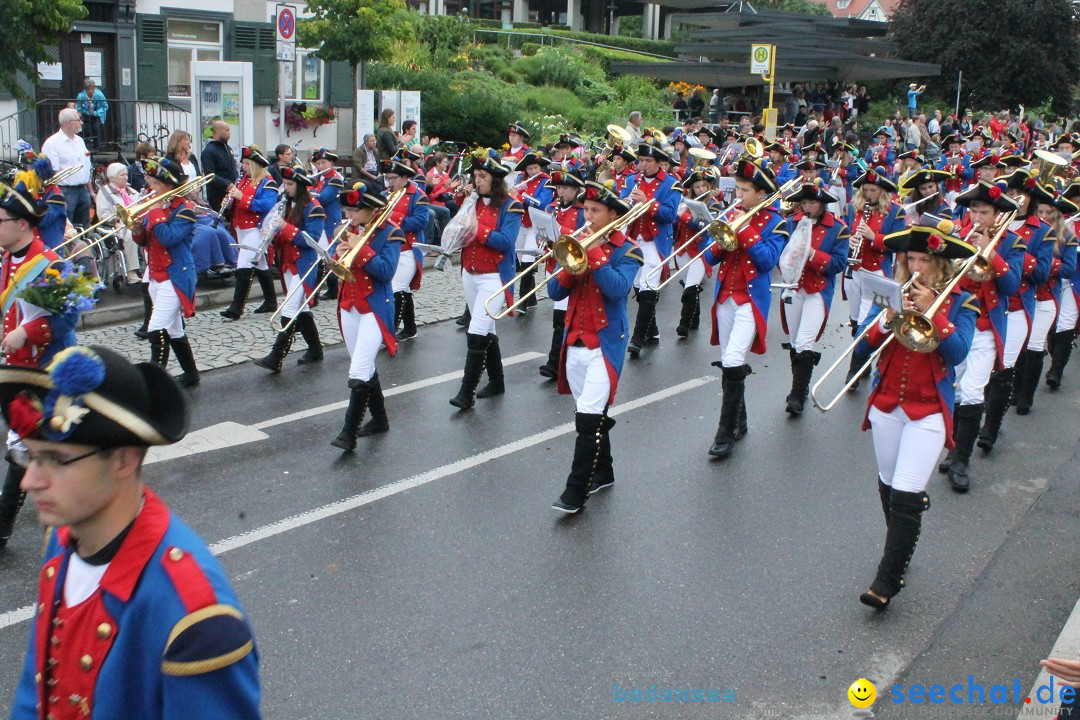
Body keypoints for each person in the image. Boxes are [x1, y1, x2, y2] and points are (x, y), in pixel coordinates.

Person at [0, 344, 261, 718]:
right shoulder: (62, 541)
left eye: (56, 460)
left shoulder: (197, 616)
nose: (29, 481)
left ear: (125, 459)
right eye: (29, 456)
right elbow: (36, 693)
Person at [856, 223, 978, 610]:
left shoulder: (963, 300)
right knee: (889, 484)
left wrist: (934, 313)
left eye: (926, 260)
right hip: (887, 402)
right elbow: (862, 346)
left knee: (907, 492)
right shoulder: (895, 293)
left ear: (941, 263)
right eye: (912, 259)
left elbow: (958, 353)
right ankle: (901, 549)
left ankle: (886, 580)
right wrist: (887, 317)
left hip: (928, 409)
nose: (918, 267)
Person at [548, 181, 644, 514]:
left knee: (588, 417)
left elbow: (617, 290)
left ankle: (576, 492)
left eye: (595, 211)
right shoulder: (577, 243)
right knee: (589, 413)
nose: (586, 217)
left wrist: (593, 254)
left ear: (613, 215)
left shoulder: (629, 250)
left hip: (606, 342)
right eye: (585, 209)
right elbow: (553, 294)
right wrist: (568, 265)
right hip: (574, 338)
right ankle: (603, 470)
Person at [0, 181, 81, 550]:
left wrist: (27, 332)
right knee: (24, 450)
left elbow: (65, 322)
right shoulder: (5, 262)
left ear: (21, 224)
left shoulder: (49, 264)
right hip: (14, 372)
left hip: (45, 373)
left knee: (37, 450)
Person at [701, 157, 787, 459]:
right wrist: (723, 237)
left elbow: (766, 262)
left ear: (761, 194)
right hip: (725, 295)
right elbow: (709, 259)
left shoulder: (778, 223)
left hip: (751, 300)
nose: (738, 196)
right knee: (728, 360)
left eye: (745, 190)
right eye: (736, 188)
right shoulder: (731, 214)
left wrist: (747, 230)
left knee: (735, 358)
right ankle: (740, 420)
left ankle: (724, 433)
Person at [939, 181, 1023, 492]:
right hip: (958, 323)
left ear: (997, 215)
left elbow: (1011, 286)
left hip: (986, 327)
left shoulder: (1011, 243)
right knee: (957, 390)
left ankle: (962, 459)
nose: (976, 217)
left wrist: (989, 251)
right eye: (973, 210)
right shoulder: (955, 235)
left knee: (973, 390)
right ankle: (954, 448)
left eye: (984, 212)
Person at [979, 168, 1055, 451]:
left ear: (1030, 198)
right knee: (980, 371)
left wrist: (1015, 257)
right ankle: (978, 417)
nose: (1014, 199)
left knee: (1003, 367)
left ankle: (991, 429)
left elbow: (1042, 274)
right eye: (1009, 194)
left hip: (1016, 306)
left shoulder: (1043, 231)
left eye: (1018, 195)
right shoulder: (987, 225)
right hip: (986, 304)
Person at [448, 150, 523, 410]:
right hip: (470, 272)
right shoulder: (473, 202)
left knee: (477, 331)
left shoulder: (511, 206)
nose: (477, 181)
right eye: (475, 176)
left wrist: (477, 230)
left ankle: (466, 393)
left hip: (494, 277)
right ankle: (497, 381)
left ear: (495, 180)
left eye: (482, 176)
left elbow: (506, 242)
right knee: (487, 329)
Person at [331, 187, 403, 450]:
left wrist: (358, 250)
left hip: (374, 307)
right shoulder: (352, 231)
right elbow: (344, 269)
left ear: (372, 209)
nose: (348, 216)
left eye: (353, 211)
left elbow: (385, 272)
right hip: (349, 304)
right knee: (364, 365)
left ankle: (347, 434)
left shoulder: (391, 233)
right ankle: (380, 419)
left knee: (359, 370)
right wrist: (340, 253)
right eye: (346, 211)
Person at [779, 180, 849, 416]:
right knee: (794, 340)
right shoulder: (791, 222)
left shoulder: (838, 228)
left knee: (805, 342)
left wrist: (811, 254)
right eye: (805, 202)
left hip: (817, 289)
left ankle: (797, 395)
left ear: (822, 204)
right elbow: (780, 255)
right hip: (793, 286)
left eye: (813, 202)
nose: (807, 207)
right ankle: (799, 385)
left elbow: (838, 264)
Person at [129, 156, 200, 388]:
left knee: (156, 328)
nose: (151, 188)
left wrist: (155, 212)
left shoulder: (185, 210)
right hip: (156, 275)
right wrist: (138, 229)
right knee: (174, 329)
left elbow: (168, 238)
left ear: (169, 185)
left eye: (156, 184)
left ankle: (154, 384)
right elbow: (146, 241)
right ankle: (191, 373)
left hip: (176, 275)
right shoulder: (157, 208)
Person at [253, 165, 325, 372]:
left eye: (290, 184)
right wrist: (271, 232)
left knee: (290, 308)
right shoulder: (285, 204)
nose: (286, 188)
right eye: (285, 183)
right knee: (302, 307)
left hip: (304, 263)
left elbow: (310, 240)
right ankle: (315, 349)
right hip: (286, 261)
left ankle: (276, 357)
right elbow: (278, 233)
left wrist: (286, 228)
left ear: (301, 186)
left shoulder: (314, 208)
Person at [1017, 185, 1078, 413]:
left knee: (1034, 344)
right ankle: (1016, 389)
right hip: (1024, 296)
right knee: (1021, 345)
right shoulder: (1028, 234)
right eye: (1039, 212)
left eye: (1048, 213)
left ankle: (1027, 397)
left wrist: (1041, 262)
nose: (1043, 217)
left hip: (1047, 296)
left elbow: (1069, 269)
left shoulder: (1067, 238)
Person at [844, 167, 907, 387]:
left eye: (873, 190)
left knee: (865, 319)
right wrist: (850, 241)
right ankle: (863, 362)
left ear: (882, 192)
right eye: (866, 190)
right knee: (855, 319)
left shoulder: (895, 212)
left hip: (877, 270)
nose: (869, 194)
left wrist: (875, 237)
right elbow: (845, 233)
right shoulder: (854, 208)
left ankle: (854, 371)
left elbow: (899, 243)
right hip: (854, 269)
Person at [221, 146, 279, 320]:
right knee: (260, 264)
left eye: (247, 164)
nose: (243, 167)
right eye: (243, 163)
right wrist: (229, 204)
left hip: (257, 228)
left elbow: (266, 206)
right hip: (241, 228)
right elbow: (239, 204)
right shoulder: (244, 180)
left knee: (244, 263)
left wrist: (241, 197)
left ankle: (236, 308)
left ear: (255, 165)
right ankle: (271, 301)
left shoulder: (268, 182)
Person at [539, 170, 586, 379]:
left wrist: (559, 230)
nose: (561, 192)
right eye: (558, 188)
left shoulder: (582, 211)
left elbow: (583, 237)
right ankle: (559, 362)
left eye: (565, 188)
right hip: (555, 263)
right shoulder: (551, 208)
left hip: (571, 266)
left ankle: (556, 363)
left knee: (561, 317)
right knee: (560, 317)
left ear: (576, 190)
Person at [382, 154, 430, 341]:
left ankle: (389, 332)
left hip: (409, 247)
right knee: (403, 289)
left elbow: (421, 222)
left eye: (393, 179)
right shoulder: (386, 195)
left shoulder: (418, 196)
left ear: (404, 177)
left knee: (397, 288)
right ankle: (410, 328)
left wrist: (393, 218)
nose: (390, 182)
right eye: (388, 178)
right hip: (389, 247)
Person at [672, 168, 720, 337]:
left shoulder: (713, 204)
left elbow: (707, 227)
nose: (701, 190)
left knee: (691, 286)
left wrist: (684, 216)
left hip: (700, 250)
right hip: (682, 248)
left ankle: (684, 324)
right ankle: (695, 319)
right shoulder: (685, 203)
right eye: (697, 187)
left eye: (703, 186)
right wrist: (677, 215)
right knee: (689, 285)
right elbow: (673, 224)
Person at [510, 151, 552, 314]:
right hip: (521, 223)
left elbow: (542, 204)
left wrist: (520, 196)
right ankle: (531, 297)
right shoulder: (520, 180)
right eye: (530, 169)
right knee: (521, 259)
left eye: (536, 168)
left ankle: (522, 302)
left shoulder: (547, 181)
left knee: (528, 260)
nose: (533, 172)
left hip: (535, 226)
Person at [40, 108, 92, 228]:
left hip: (82, 190)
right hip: (65, 191)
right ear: (69, 123)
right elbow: (53, 172)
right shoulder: (52, 143)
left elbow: (86, 166)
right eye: (79, 120)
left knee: (84, 227)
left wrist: (91, 191)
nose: (82, 123)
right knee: (67, 228)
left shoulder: (79, 141)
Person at [94, 162, 144, 284]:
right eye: (122, 175)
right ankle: (132, 273)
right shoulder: (104, 193)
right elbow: (103, 214)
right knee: (130, 235)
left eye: (126, 174)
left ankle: (148, 268)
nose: (126, 177)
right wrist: (115, 220)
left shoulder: (132, 191)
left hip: (135, 222)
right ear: (112, 178)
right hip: (116, 226)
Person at [201, 121, 237, 216]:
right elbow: (210, 175)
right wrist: (226, 184)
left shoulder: (228, 148)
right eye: (227, 130)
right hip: (217, 196)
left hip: (231, 193)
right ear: (218, 131)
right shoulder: (209, 151)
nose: (229, 133)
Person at [75, 78, 108, 151]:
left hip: (97, 116)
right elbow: (79, 108)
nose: (91, 91)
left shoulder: (99, 95)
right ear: (85, 90)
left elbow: (105, 106)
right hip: (85, 115)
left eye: (92, 89)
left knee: (96, 127)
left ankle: (97, 147)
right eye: (88, 89)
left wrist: (96, 113)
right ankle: (83, 147)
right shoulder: (81, 96)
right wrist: (87, 112)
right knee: (82, 128)